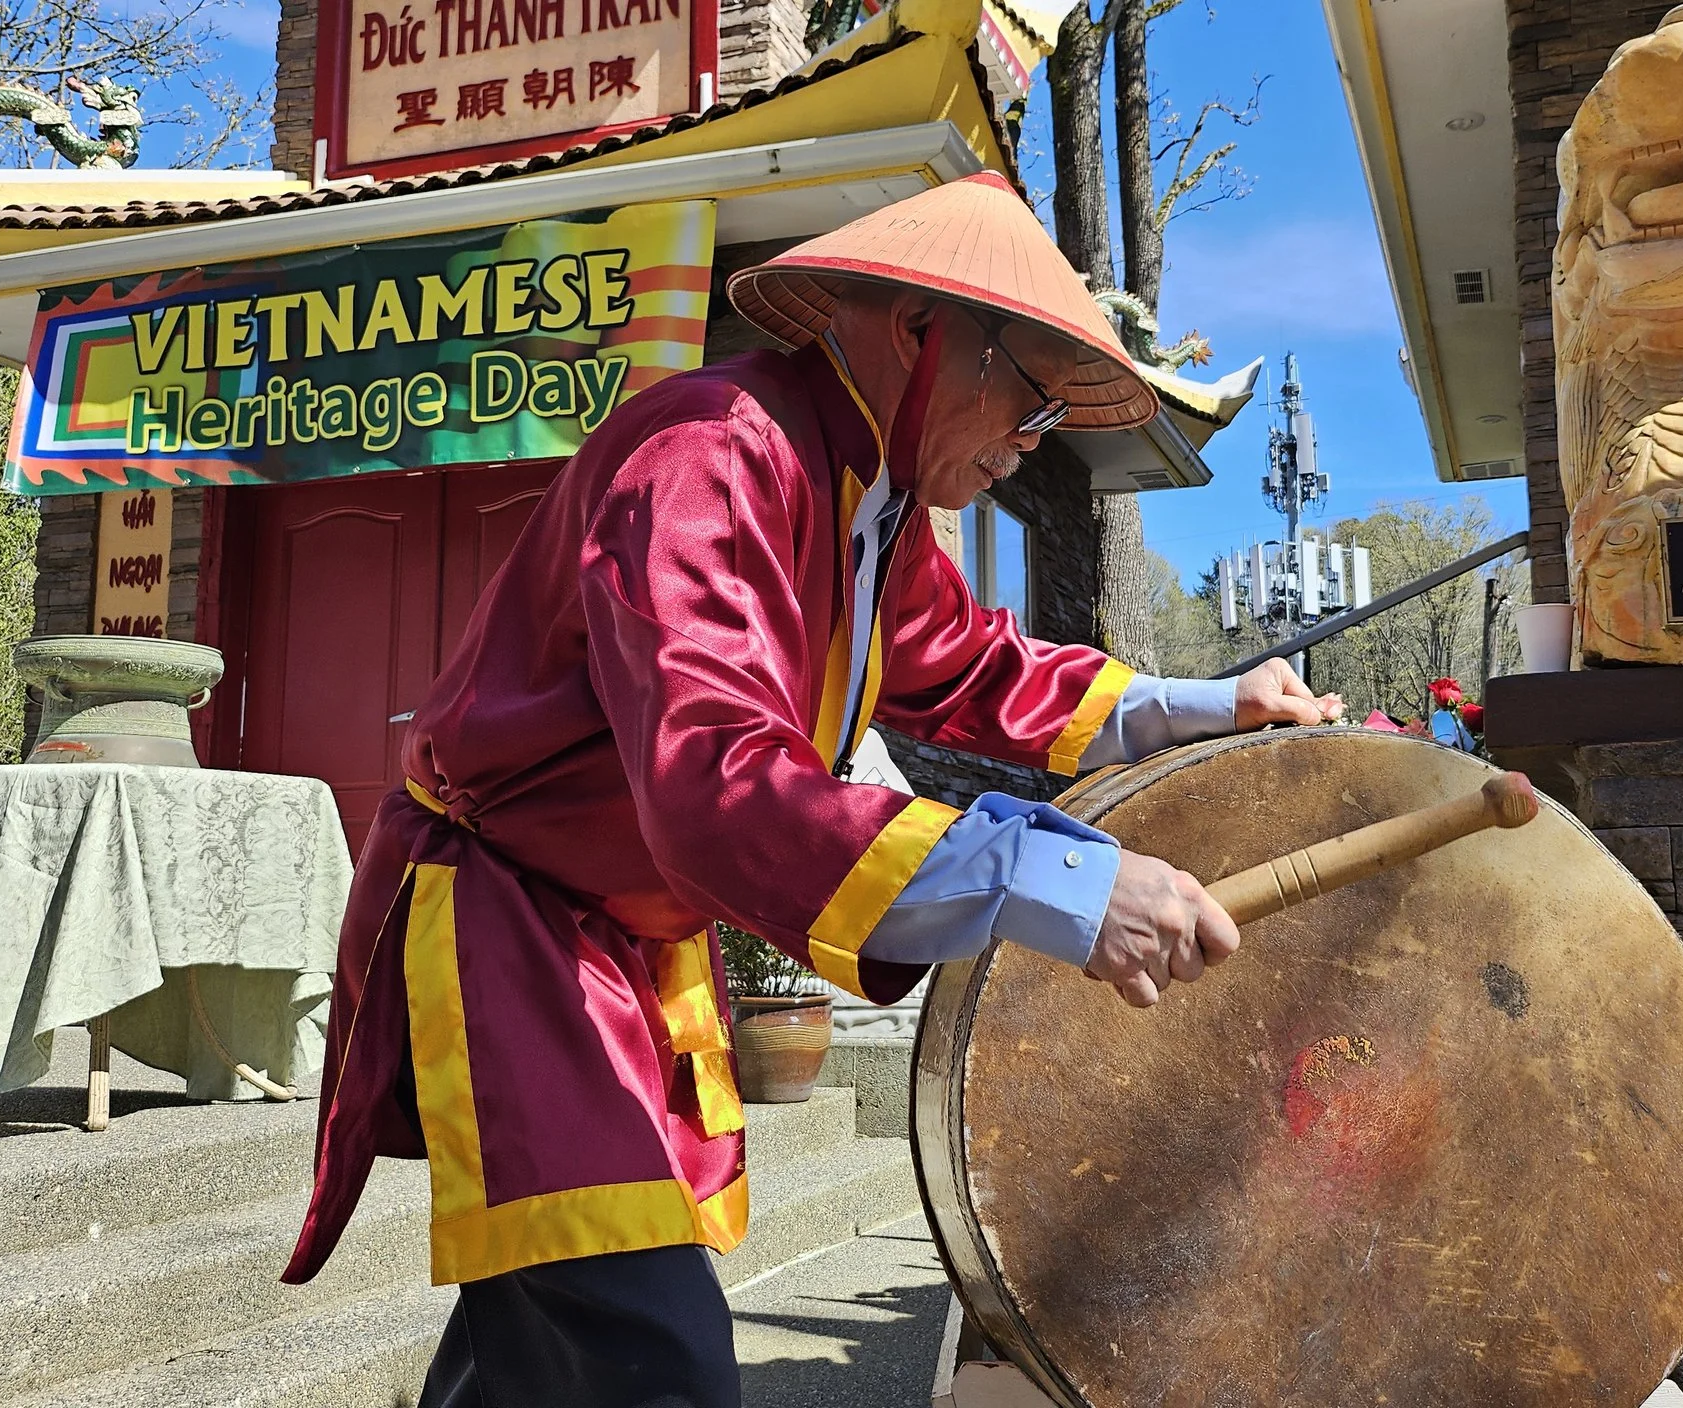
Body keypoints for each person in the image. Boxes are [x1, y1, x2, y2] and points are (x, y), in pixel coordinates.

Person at [280, 171, 1345, 1408]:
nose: (1025, 441)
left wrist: (1211, 703)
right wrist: (1053, 877)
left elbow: (970, 670)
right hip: (515, 923)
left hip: (616, 938)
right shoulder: (710, 454)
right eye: (1027, 395)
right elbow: (715, 780)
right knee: (642, 1349)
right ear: (917, 332)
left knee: (556, 1327)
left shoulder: (869, 507)